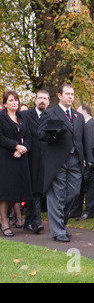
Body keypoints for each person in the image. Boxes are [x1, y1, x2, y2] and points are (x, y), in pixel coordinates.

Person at [38, 84, 93, 242]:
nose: (70, 96)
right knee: (57, 195)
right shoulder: (50, 113)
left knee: (74, 193)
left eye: (72, 94)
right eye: (67, 94)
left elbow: (84, 140)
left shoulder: (78, 116)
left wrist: (88, 159)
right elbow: (40, 134)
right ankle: (58, 231)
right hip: (57, 160)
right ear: (59, 96)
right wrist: (53, 135)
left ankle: (60, 224)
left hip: (75, 160)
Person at [0, 91, 33, 237]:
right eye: (11, 100)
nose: (14, 103)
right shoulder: (1, 118)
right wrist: (15, 146)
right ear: (5, 103)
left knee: (17, 192)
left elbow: (28, 137)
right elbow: (0, 137)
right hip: (5, 158)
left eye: (16, 100)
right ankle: (5, 222)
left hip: (20, 158)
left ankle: (3, 216)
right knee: (5, 192)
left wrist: (22, 149)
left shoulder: (22, 117)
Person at [21, 90, 50, 234]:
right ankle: (36, 221)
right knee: (34, 191)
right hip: (29, 158)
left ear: (49, 102)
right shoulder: (25, 115)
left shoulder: (51, 116)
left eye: (45, 98)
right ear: (35, 100)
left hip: (46, 159)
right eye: (40, 98)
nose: (42, 101)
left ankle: (29, 222)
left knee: (38, 191)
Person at [70, 104, 94, 220]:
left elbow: (90, 143)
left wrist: (88, 159)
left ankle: (88, 211)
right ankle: (77, 210)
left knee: (89, 186)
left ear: (85, 112)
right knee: (80, 185)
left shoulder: (91, 124)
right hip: (84, 160)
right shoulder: (85, 125)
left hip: (89, 160)